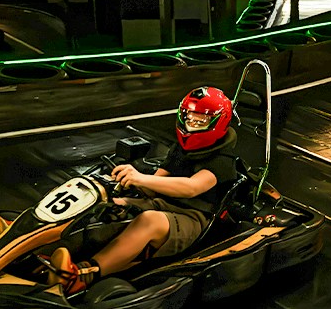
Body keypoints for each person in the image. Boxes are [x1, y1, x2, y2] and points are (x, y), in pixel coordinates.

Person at [38, 86, 241, 296]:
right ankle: (38, 243)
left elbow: (191, 188)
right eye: (189, 118)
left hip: (193, 218)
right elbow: (156, 182)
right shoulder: (181, 149)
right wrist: (128, 179)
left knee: (149, 221)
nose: (192, 124)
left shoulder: (222, 161)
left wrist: (140, 178)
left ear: (219, 122)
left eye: (200, 121)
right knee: (105, 206)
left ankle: (81, 275)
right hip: (163, 204)